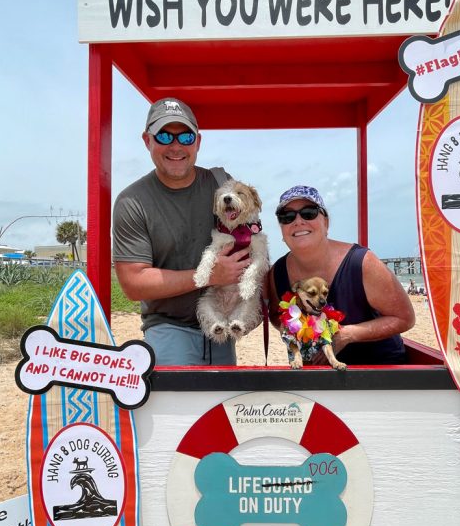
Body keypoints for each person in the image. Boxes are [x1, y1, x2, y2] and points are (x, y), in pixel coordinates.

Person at [112, 97, 249, 366]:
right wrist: (208, 275)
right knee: (175, 406)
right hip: (168, 326)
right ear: (147, 140)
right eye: (164, 136)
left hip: (222, 324)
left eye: (185, 137)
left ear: (197, 142)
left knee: (222, 406)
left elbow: (251, 246)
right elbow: (133, 283)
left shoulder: (223, 186)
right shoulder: (132, 202)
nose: (175, 146)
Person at [268, 185, 415, 365]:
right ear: (282, 229)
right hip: (315, 379)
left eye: (309, 213)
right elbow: (276, 315)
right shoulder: (277, 272)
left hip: (377, 373)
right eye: (287, 217)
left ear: (326, 222)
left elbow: (404, 318)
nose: (298, 221)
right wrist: (297, 328)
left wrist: (346, 335)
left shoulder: (361, 262)